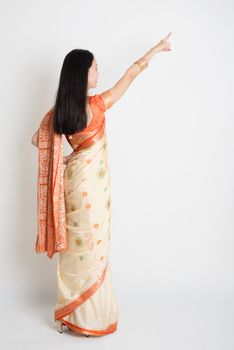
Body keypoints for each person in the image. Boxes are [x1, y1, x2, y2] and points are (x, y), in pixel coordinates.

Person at [31, 32, 172, 337]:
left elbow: (36, 140)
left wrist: (66, 160)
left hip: (73, 185)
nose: (98, 72)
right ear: (83, 74)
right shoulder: (98, 104)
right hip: (93, 188)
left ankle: (71, 314)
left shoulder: (59, 114)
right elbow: (131, 74)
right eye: (95, 68)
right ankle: (90, 318)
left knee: (79, 247)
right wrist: (157, 49)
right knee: (93, 248)